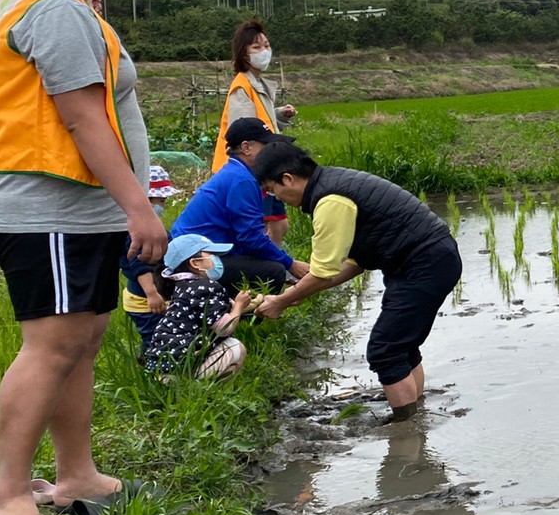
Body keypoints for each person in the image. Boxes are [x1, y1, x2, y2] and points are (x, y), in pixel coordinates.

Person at [0, 0, 165, 515]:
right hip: (49, 212)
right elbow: (81, 116)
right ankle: (8, 492)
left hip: (76, 212)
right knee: (51, 348)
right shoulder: (54, 10)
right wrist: (140, 206)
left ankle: (77, 472)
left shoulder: (39, 1)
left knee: (80, 340)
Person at [251, 142, 462, 422]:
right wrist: (300, 292)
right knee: (401, 346)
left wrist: (281, 301)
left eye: (271, 188)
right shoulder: (333, 183)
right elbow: (354, 262)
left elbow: (323, 271)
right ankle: (415, 415)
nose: (274, 196)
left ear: (287, 179)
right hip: (429, 258)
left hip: (423, 264)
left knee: (385, 350)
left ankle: (406, 432)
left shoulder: (330, 200)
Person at [172, 118, 309, 294]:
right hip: (194, 259)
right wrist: (291, 264)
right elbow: (251, 238)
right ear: (246, 148)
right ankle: (244, 315)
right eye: (265, 145)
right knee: (273, 271)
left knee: (269, 265)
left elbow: (248, 237)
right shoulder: (242, 180)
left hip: (197, 251)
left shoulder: (237, 173)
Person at [213, 20, 296, 244]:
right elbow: (242, 133)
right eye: (256, 47)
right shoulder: (242, 87)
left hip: (262, 167)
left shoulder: (256, 83)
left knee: (278, 224)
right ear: (244, 54)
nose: (264, 52)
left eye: (266, 45)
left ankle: (272, 268)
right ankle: (265, 270)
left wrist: (279, 115)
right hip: (250, 169)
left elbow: (260, 121)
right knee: (261, 225)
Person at [143, 234, 253, 378]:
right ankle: (199, 386)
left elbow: (211, 309)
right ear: (195, 263)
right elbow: (223, 328)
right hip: (182, 368)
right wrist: (239, 306)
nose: (216, 260)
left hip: (163, 365)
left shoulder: (182, 287)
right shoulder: (207, 287)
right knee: (235, 346)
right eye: (211, 255)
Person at [121, 165, 183, 353]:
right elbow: (140, 265)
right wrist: (151, 294)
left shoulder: (151, 227)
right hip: (144, 299)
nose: (162, 206)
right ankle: (155, 368)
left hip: (152, 295)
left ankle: (150, 359)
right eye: (161, 201)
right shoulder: (138, 233)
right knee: (155, 336)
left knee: (160, 331)